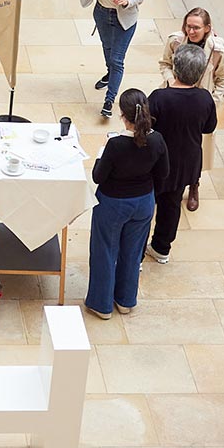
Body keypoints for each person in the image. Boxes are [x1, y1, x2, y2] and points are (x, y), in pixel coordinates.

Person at [86, 88, 167, 318]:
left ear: (123, 116)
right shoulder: (157, 139)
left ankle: (101, 305)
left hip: (113, 204)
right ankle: (125, 300)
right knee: (132, 253)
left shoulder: (115, 145)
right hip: (143, 203)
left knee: (104, 251)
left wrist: (102, 155)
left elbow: (98, 177)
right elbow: (164, 172)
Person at [145, 44, 218, 265]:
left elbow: (145, 127)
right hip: (186, 162)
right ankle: (161, 248)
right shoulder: (205, 98)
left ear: (175, 68)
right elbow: (209, 127)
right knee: (172, 204)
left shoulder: (159, 97)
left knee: (147, 205)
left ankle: (136, 254)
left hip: (157, 162)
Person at [156, 8, 224, 209]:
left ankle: (194, 183)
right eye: (188, 26)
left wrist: (212, 102)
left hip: (200, 105)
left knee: (196, 148)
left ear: (207, 28)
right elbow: (164, 64)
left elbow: (223, 79)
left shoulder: (217, 50)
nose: (191, 31)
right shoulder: (175, 41)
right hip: (175, 96)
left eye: (196, 27)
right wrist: (172, 81)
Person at [80, 0, 146, 118]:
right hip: (101, 13)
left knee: (117, 59)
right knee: (107, 47)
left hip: (122, 20)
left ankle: (109, 100)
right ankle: (110, 74)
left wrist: (126, 0)